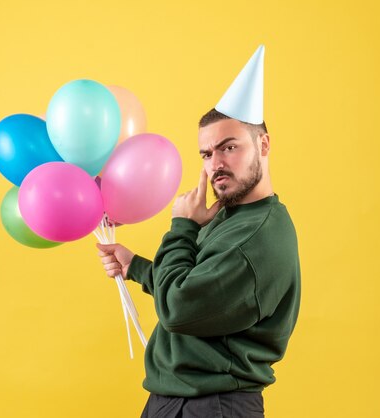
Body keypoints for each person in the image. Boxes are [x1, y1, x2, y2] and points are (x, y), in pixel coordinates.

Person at [97, 107, 301, 418]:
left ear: (263, 145)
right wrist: (135, 267)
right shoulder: (229, 218)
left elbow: (178, 309)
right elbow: (200, 293)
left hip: (213, 405)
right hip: (178, 399)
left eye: (229, 148)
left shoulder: (254, 237)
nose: (216, 164)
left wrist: (183, 227)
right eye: (206, 154)